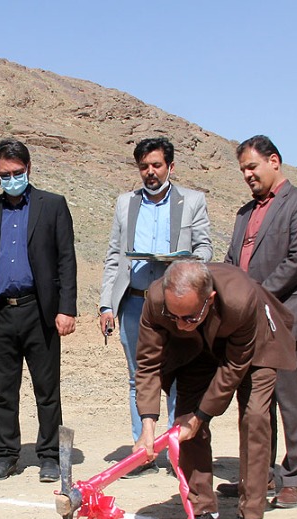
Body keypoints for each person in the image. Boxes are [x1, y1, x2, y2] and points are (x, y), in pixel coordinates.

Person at [135, 261, 295, 519]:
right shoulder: (157, 300)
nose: (181, 324)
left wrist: (202, 416)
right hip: (197, 350)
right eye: (175, 317)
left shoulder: (240, 297)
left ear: (209, 300)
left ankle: (250, 516)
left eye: (189, 316)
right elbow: (147, 365)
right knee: (184, 421)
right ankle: (204, 512)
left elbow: (234, 368)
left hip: (254, 346)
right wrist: (147, 426)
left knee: (255, 417)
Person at [220, 135, 297, 509]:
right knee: (253, 403)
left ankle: (296, 477)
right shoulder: (244, 214)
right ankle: (258, 476)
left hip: (285, 318)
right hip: (247, 323)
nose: (247, 175)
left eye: (252, 166)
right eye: (243, 169)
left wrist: (255, 296)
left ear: (274, 161)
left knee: (290, 399)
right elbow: (232, 262)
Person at [99, 137, 211, 472]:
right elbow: (114, 256)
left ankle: (178, 449)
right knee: (138, 376)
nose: (150, 172)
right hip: (134, 303)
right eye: (144, 166)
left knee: (178, 376)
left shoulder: (192, 201)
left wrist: (186, 263)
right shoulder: (125, 203)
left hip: (174, 306)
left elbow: (206, 248)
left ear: (170, 167)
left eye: (156, 165)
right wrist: (107, 304)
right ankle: (142, 449)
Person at [0, 139, 78, 482]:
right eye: (5, 174)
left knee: (47, 389)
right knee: (4, 390)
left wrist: (66, 308)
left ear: (29, 168)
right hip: (1, 313)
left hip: (40, 311)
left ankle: (48, 456)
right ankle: (6, 455)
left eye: (17, 172)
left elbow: (66, 260)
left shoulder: (53, 205)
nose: (12, 178)